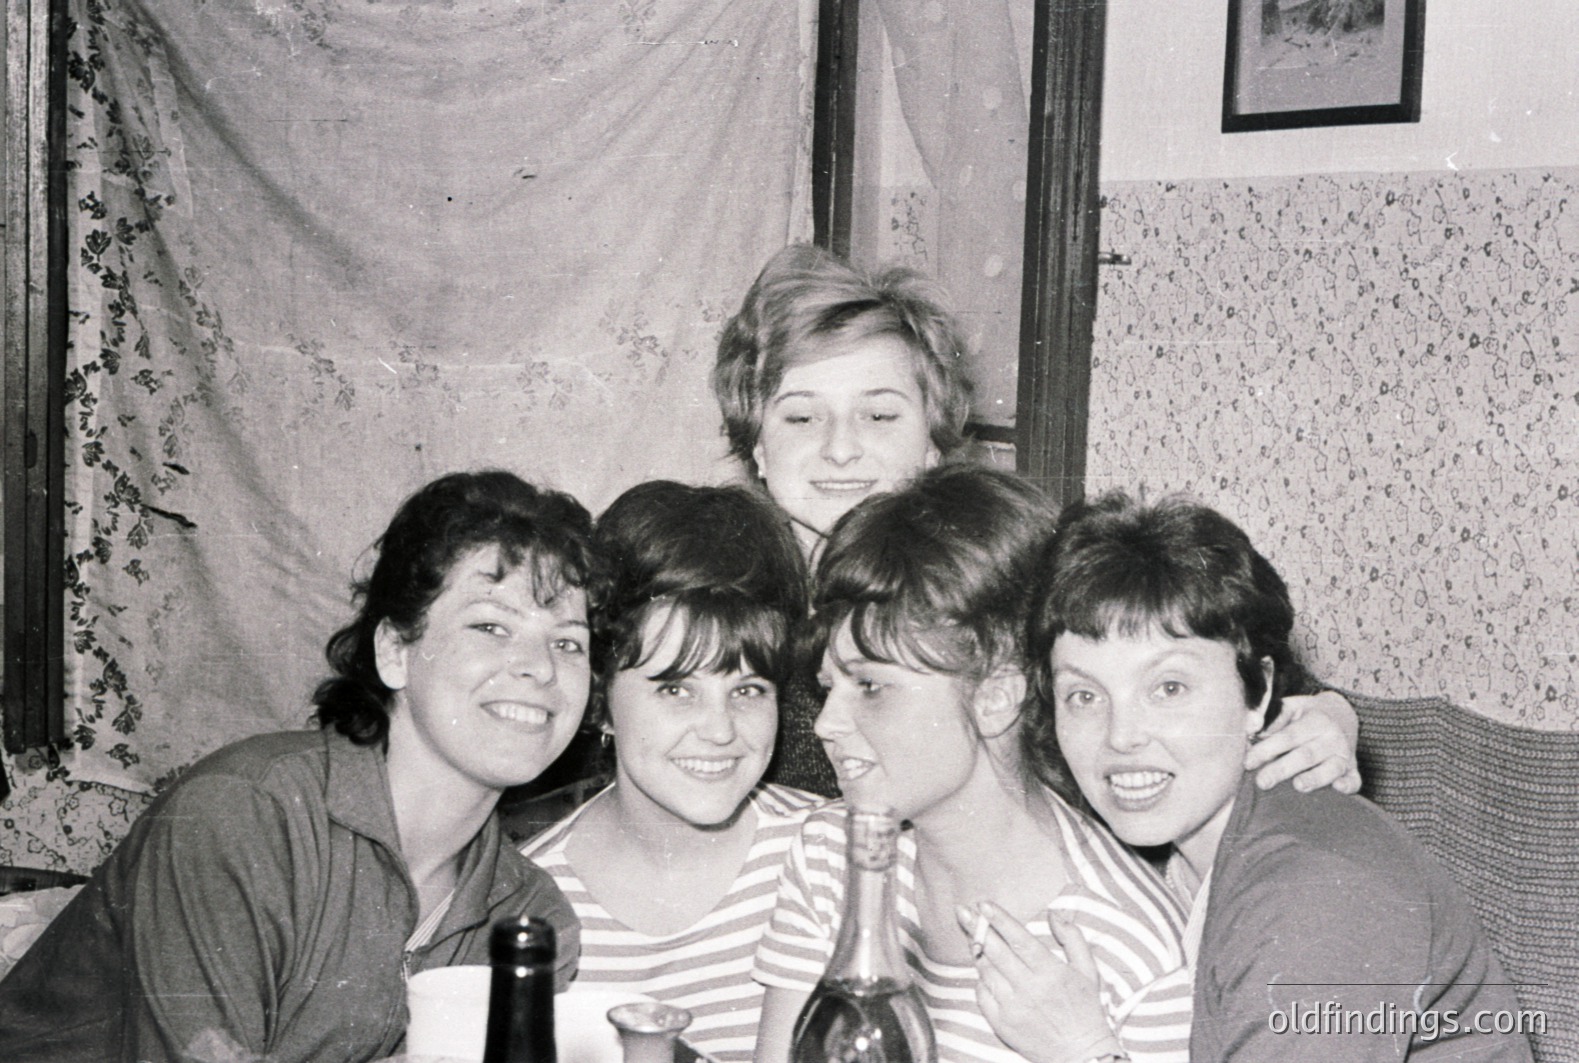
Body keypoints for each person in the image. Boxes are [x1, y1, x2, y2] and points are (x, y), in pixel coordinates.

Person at [713, 243, 1363, 801]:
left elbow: (1254, 680)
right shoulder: (718, 601)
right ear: (758, 445)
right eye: (801, 417)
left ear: (935, 443)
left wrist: (1330, 717)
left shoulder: (1022, 566)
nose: (839, 447)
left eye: (879, 415)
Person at [0, 470, 596, 1063]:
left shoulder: (531, 921)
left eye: (568, 642)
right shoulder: (243, 815)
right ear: (394, 651)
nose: (541, 668)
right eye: (491, 626)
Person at [1021, 491, 1533, 1062]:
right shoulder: (1193, 842)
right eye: (1084, 695)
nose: (1121, 737)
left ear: (1258, 691)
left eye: (1169, 688)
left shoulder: (1310, 890)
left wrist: (1082, 1050)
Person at [753, 466, 1195, 1063]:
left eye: (872, 687)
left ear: (996, 696)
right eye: (829, 686)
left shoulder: (1130, 945)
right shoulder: (834, 857)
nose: (827, 724)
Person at [522, 481, 823, 1062]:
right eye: (676, 689)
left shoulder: (828, 855)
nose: (719, 730)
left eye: (748, 689)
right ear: (601, 698)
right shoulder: (531, 898)